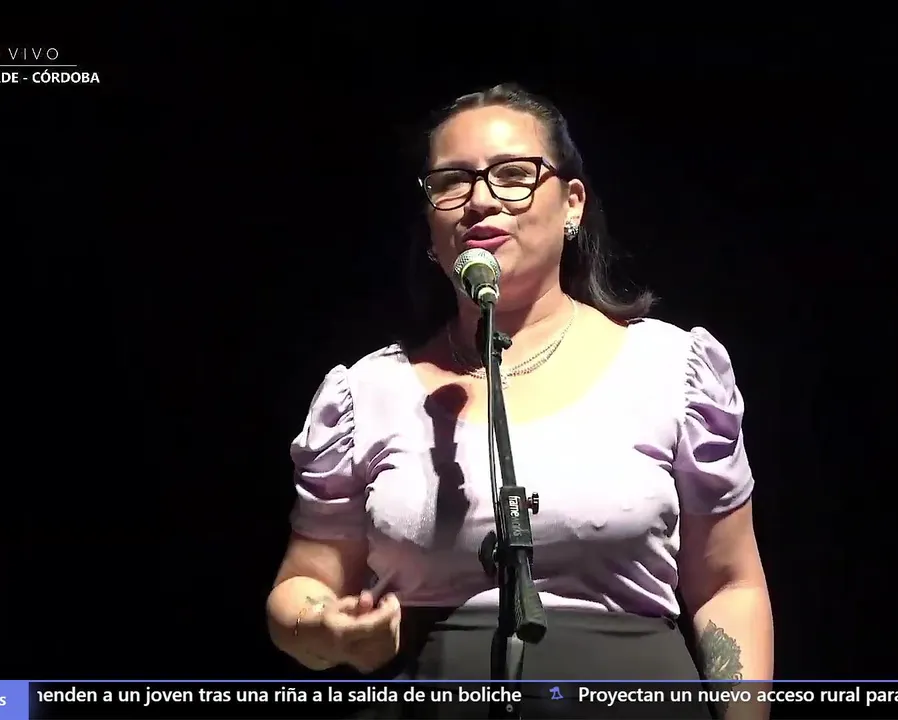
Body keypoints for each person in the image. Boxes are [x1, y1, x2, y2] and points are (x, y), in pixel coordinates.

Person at [266, 83, 774, 718]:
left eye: (513, 175)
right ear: (431, 228)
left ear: (572, 204)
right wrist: (324, 628)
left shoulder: (670, 368)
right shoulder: (367, 393)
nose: (480, 200)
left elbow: (729, 585)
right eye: (452, 182)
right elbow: (303, 584)